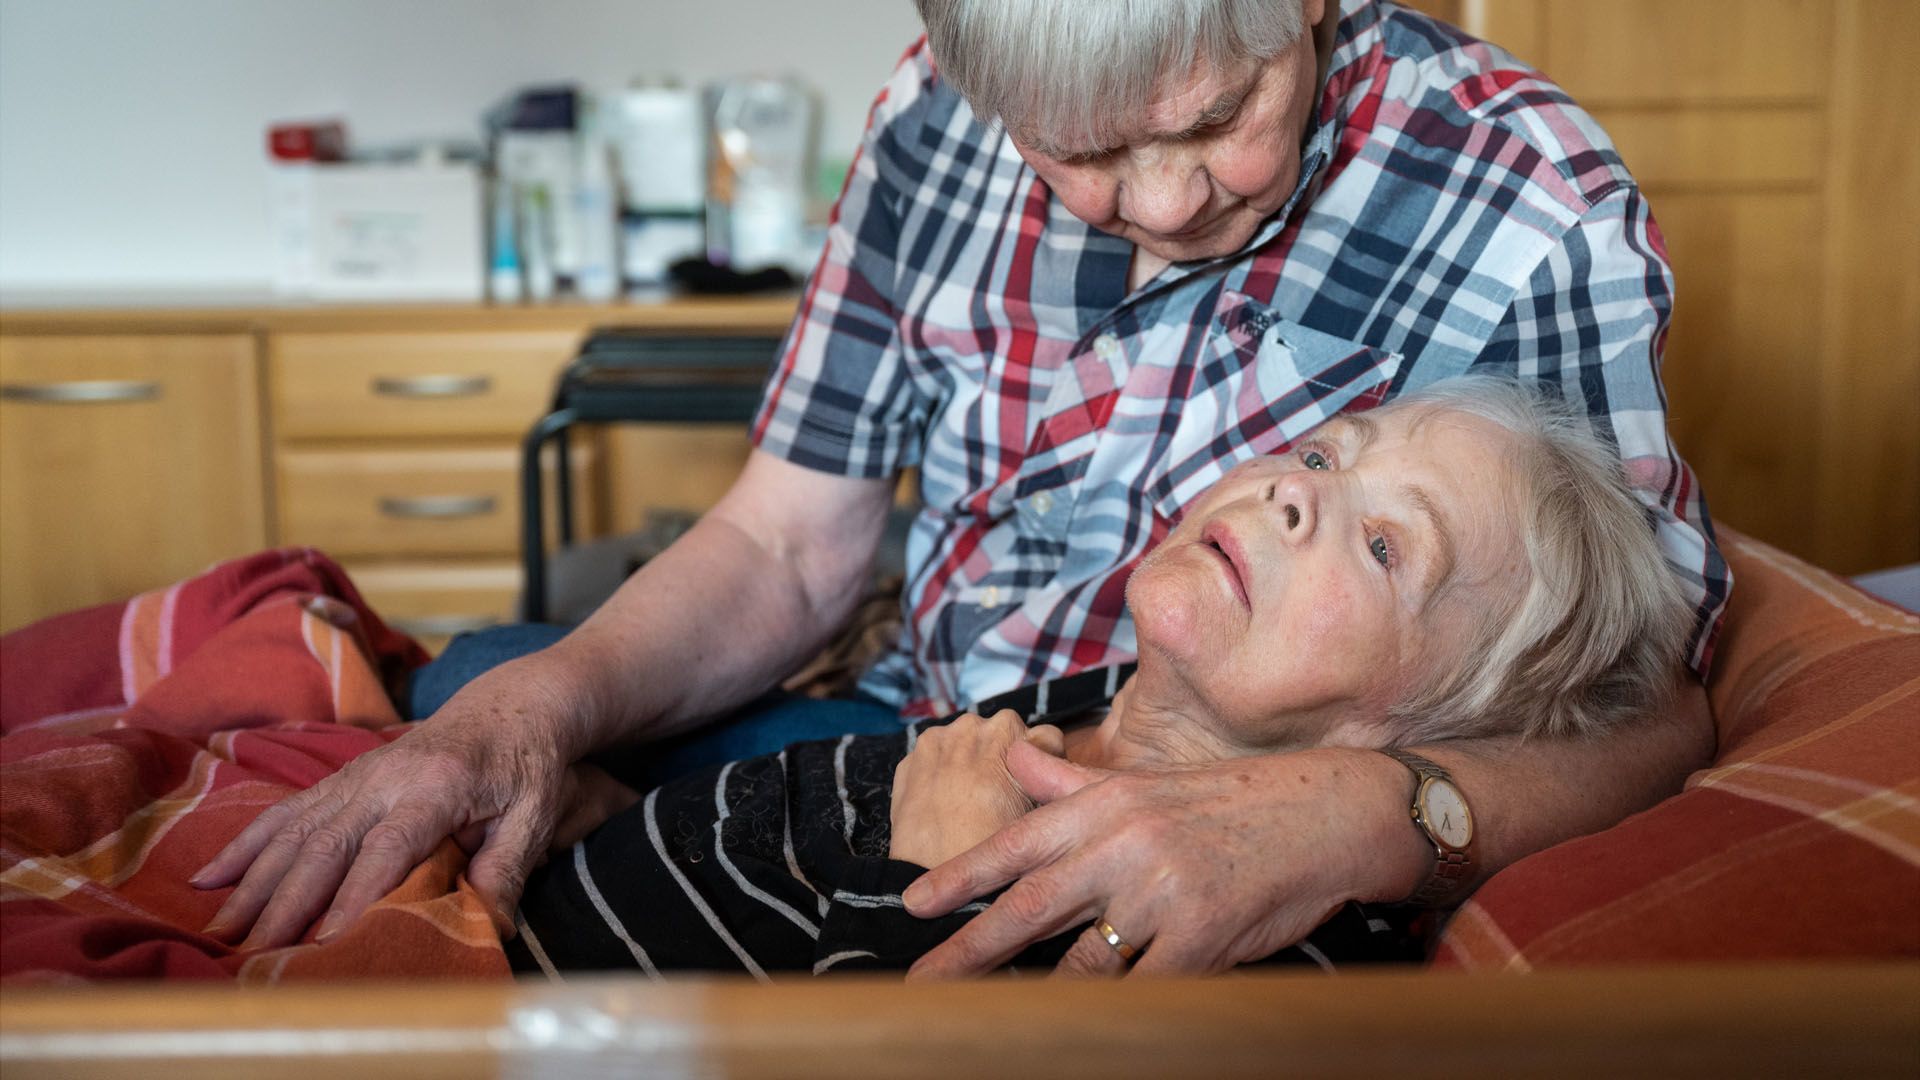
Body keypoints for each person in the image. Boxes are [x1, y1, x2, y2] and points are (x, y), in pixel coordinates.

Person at [194, 0, 1731, 974]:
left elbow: (1649, 706)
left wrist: (1372, 816)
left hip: (1202, 772)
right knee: (480, 687)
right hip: (912, 718)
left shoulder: (1529, 203)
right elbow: (789, 545)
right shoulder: (933, 108)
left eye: (1212, 121)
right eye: (1082, 153)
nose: (1160, 206)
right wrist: (523, 718)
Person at [508, 379, 1693, 976]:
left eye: (1388, 547)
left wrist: (929, 878)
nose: (1300, 487)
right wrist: (651, 816)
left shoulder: (1236, 923)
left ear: (1426, 723)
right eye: (1327, 452)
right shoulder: (1099, 706)